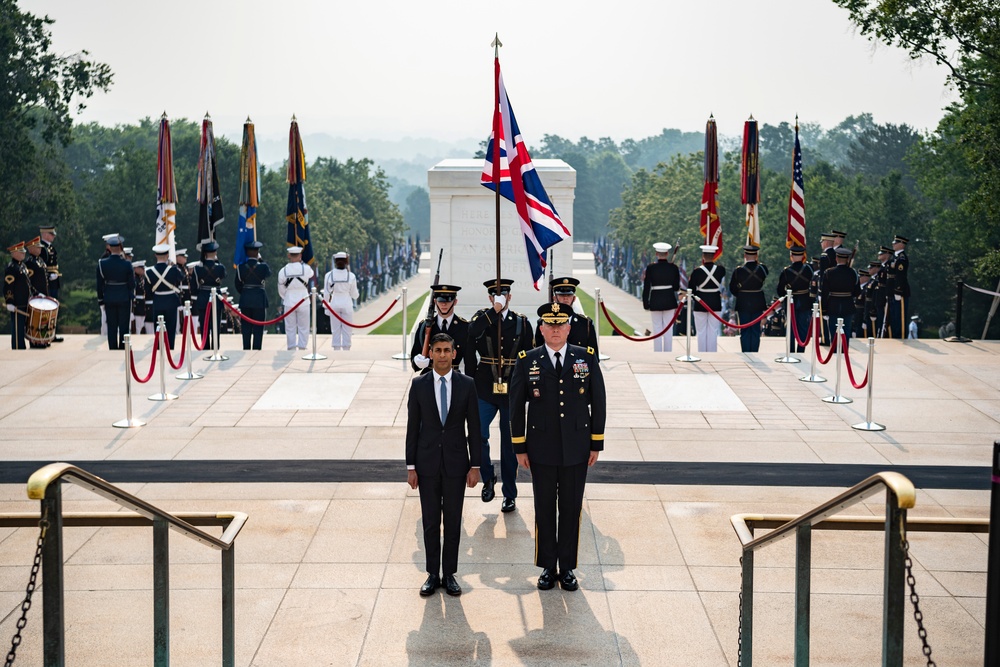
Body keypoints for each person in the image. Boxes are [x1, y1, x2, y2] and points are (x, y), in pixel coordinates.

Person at [510, 302, 606, 592]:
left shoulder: (585, 358)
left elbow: (598, 402)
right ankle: (547, 566)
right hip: (540, 448)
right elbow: (515, 407)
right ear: (541, 329)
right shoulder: (528, 360)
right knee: (544, 508)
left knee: (570, 507)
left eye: (560, 324)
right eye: (549, 325)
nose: (554, 329)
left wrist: (596, 443)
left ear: (568, 328)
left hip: (577, 448)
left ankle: (567, 567)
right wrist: (519, 447)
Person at [405, 333, 482, 597]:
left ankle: (449, 574)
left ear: (454, 354)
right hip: (426, 465)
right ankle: (431, 573)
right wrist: (410, 466)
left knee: (452, 522)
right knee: (429, 523)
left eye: (446, 350)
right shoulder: (419, 385)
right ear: (431, 354)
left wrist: (476, 465)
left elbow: (474, 427)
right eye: (437, 350)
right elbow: (412, 428)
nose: (441, 355)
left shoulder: (467, 384)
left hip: (456, 464)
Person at [465, 278, 534, 513]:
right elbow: (470, 334)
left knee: (509, 443)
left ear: (510, 297)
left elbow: (528, 358)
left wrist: (527, 389)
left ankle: (510, 494)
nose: (500, 299)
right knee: (478, 435)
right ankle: (488, 477)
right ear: (490, 298)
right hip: (484, 387)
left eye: (504, 295)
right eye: (495, 296)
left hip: (512, 389)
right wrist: (493, 312)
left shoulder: (522, 323)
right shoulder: (481, 318)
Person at [411, 284, 469, 374]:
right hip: (429, 375)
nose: (444, 304)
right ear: (435, 301)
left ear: (455, 302)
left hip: (454, 376)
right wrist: (418, 361)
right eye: (440, 300)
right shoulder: (424, 326)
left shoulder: (464, 326)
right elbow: (415, 358)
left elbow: (469, 361)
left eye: (448, 300)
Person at [534, 277, 599, 355]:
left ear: (574, 298)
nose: (565, 298)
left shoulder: (585, 323)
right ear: (554, 298)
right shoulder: (543, 321)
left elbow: (593, 356)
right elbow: (537, 353)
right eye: (561, 295)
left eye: (569, 295)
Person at [96, 235, 134, 350]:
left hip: (109, 297)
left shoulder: (102, 264)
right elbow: (132, 284)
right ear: (121, 248)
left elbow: (99, 284)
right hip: (124, 297)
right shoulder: (127, 264)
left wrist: (101, 300)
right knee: (123, 326)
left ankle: (112, 348)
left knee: (111, 326)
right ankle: (123, 347)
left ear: (109, 248)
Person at [641, 243, 681, 352]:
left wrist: (645, 303)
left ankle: (658, 351)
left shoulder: (651, 268)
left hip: (655, 300)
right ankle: (668, 352)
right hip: (669, 300)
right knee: (668, 329)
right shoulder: (673, 268)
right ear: (667, 254)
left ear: (656, 254)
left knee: (657, 328)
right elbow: (676, 288)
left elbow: (647, 287)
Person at [729, 245, 769, 353]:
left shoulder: (738, 271)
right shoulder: (762, 269)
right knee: (756, 329)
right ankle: (754, 351)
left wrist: (742, 294)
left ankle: (746, 352)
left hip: (743, 301)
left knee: (745, 329)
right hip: (757, 301)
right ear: (756, 256)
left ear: (744, 255)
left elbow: (732, 288)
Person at [776, 245, 813, 352]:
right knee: (803, 326)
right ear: (803, 256)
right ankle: (801, 349)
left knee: (791, 327)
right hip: (805, 300)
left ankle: (791, 350)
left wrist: (787, 293)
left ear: (791, 256)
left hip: (791, 301)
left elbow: (780, 290)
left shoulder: (786, 271)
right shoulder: (809, 269)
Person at [146, 243, 184, 349]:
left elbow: (148, 291)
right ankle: (170, 347)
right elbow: (182, 278)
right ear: (167, 255)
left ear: (155, 256)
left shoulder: (149, 272)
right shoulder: (173, 269)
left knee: (158, 327)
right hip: (171, 300)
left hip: (157, 301)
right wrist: (174, 265)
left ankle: (159, 348)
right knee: (171, 327)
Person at [235, 241, 271, 350]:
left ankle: (246, 348)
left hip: (246, 299)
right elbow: (269, 273)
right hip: (259, 299)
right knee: (258, 327)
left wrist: (245, 292)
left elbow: (237, 284)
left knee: (246, 327)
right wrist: (260, 260)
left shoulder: (240, 267)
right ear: (258, 253)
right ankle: (256, 349)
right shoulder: (263, 267)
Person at [821, 247, 860, 342]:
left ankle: (834, 351)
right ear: (847, 259)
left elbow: (824, 293)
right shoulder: (853, 272)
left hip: (833, 305)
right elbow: (857, 292)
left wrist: (824, 309)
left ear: (836, 259)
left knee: (833, 331)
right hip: (848, 304)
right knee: (846, 331)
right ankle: (844, 350)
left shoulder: (828, 272)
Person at [690, 245, 725, 352]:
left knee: (701, 331)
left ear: (703, 256)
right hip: (715, 302)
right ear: (714, 256)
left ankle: (702, 352)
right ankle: (712, 353)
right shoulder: (720, 270)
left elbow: (690, 288)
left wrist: (698, 294)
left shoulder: (697, 271)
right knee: (713, 331)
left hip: (700, 302)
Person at [277, 246, 313, 350]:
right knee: (304, 326)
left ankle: (291, 346)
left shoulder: (283, 271)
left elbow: (281, 289)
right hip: (304, 299)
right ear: (300, 256)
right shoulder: (306, 268)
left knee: (290, 327)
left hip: (289, 300)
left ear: (289, 256)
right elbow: (311, 274)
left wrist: (286, 296)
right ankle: (302, 346)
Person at [322, 251, 360, 350]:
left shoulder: (329, 275)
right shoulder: (351, 276)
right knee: (347, 330)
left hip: (334, 303)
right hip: (347, 303)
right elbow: (354, 295)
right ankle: (346, 349)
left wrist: (326, 307)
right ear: (346, 262)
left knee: (335, 330)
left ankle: (336, 350)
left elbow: (326, 293)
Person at [193, 241, 227, 349]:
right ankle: (215, 346)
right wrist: (217, 261)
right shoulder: (220, 267)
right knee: (216, 324)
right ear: (215, 252)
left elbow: (194, 286)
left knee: (204, 325)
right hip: (216, 296)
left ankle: (205, 346)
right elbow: (224, 275)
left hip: (203, 296)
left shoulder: (197, 268)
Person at [38, 225, 63, 342]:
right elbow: (40, 268)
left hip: (54, 282)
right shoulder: (42, 248)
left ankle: (52, 333)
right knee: (47, 310)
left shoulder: (50, 247)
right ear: (45, 234)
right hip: (47, 283)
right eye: (51, 234)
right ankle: (45, 334)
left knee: (53, 309)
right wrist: (48, 276)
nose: (53, 236)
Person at [4, 242, 30, 350]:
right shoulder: (12, 268)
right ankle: (17, 348)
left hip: (25, 301)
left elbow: (28, 283)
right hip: (17, 303)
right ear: (14, 253)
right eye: (21, 252)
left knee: (22, 327)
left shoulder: (22, 266)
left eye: (24, 252)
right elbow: (8, 286)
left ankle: (21, 346)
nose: (23, 254)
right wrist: (9, 301)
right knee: (17, 328)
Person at [887, 234, 910, 338]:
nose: (893, 244)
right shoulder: (894, 257)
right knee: (894, 316)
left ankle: (901, 335)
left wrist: (898, 291)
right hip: (893, 291)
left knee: (900, 316)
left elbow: (900, 276)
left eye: (895, 242)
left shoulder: (902, 258)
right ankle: (895, 335)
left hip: (899, 291)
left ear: (902, 245)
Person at [175, 248, 192, 335]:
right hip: (180, 295)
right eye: (183, 257)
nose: (185, 259)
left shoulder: (183, 268)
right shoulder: (176, 268)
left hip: (186, 296)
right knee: (178, 318)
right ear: (177, 257)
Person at [132, 261, 148, 334]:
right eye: (141, 268)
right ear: (136, 269)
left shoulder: (141, 278)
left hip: (142, 304)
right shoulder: (134, 279)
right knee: (137, 327)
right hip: (137, 305)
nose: (143, 270)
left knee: (141, 325)